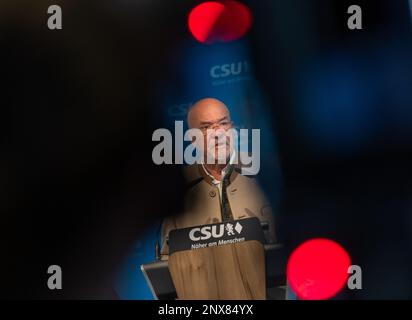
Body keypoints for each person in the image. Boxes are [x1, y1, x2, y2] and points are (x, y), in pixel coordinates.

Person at [160, 98, 276, 259]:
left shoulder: (265, 172)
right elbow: (168, 259)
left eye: (223, 124)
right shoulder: (178, 188)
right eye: (206, 127)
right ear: (193, 139)